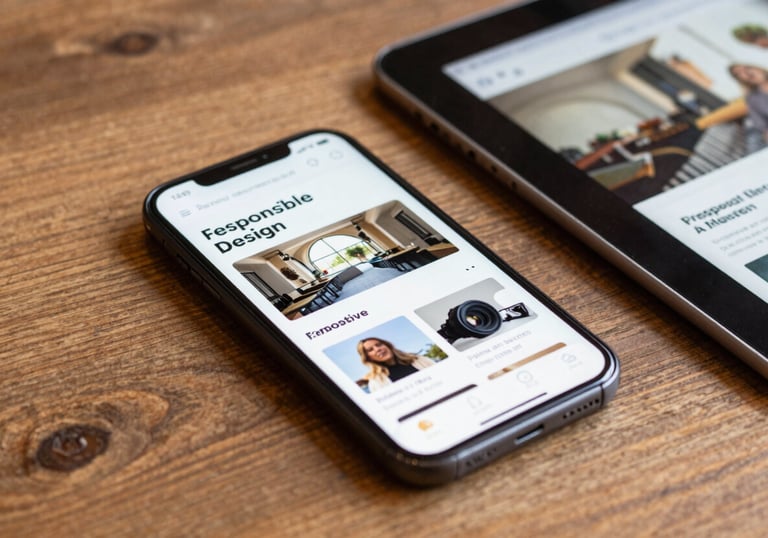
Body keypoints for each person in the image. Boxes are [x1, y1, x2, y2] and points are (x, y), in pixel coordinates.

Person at [357, 337, 435, 392]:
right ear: (368, 357)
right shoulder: (376, 382)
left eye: (379, 344)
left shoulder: (418, 359)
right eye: (370, 350)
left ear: (387, 345)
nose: (378, 349)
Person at [729, 63, 768, 153]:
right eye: (739, 73)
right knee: (753, 142)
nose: (747, 73)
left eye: (747, 68)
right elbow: (760, 123)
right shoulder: (752, 98)